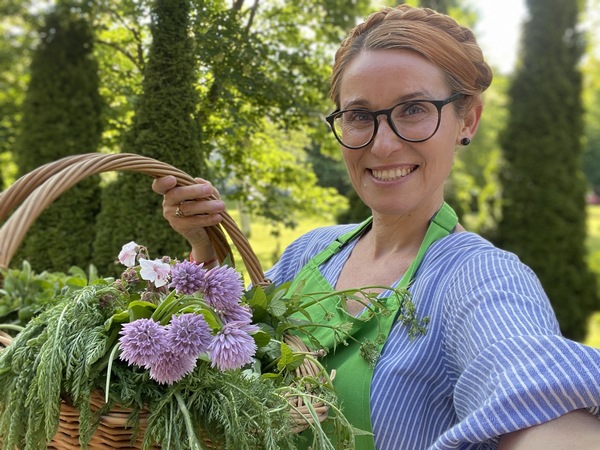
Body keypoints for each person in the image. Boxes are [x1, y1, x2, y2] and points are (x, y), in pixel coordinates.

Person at [153, 4, 600, 449]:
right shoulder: (309, 252)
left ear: (468, 120)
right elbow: (226, 359)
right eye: (360, 116)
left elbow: (541, 404)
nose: (383, 145)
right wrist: (205, 249)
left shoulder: (480, 280)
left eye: (413, 109)